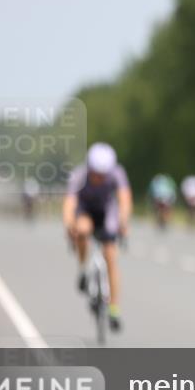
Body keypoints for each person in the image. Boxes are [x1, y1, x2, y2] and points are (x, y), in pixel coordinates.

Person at [62, 142, 132, 331]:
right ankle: (83, 268)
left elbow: (124, 199)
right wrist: (69, 225)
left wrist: (124, 223)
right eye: (95, 174)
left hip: (107, 211)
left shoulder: (117, 173)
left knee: (111, 256)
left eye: (103, 175)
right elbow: (69, 203)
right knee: (83, 230)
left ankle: (114, 308)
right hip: (85, 211)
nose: (99, 178)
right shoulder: (79, 175)